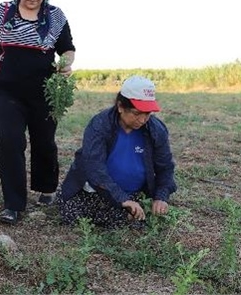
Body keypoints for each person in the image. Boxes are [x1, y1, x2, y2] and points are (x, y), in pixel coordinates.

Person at [0, 0, 76, 224]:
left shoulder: (55, 17)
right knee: (10, 141)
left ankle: (46, 187)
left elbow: (67, 48)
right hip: (7, 91)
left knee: (44, 142)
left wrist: (65, 63)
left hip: (44, 94)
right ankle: (13, 203)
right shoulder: (3, 12)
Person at [58, 76, 177, 228]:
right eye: (136, 113)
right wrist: (122, 199)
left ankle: (124, 211)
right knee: (73, 214)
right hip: (95, 191)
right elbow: (94, 168)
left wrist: (161, 196)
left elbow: (165, 166)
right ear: (121, 106)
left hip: (133, 193)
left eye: (147, 114)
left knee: (138, 219)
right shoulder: (100, 125)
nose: (142, 120)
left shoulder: (156, 130)